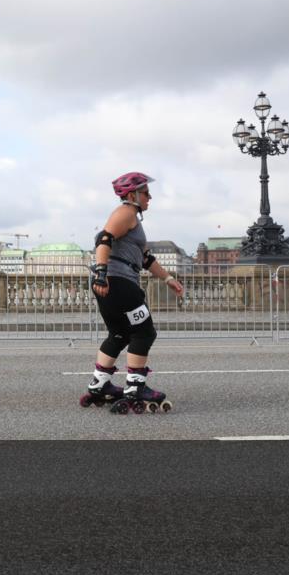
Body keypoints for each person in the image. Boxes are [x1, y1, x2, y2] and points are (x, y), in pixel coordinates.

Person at [84, 172, 185, 413]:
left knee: (119, 333)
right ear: (132, 195)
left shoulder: (132, 219)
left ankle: (100, 384)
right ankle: (135, 387)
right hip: (119, 282)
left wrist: (168, 278)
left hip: (114, 281)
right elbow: (104, 239)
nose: (150, 198)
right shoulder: (126, 213)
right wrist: (101, 273)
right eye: (146, 193)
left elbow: (146, 259)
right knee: (144, 332)